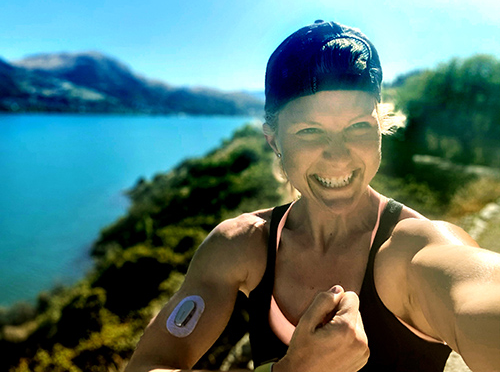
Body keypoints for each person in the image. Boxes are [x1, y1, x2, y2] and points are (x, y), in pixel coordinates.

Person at [125, 20, 500, 372]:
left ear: (380, 129)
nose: (338, 156)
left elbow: (479, 294)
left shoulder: (414, 249)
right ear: (274, 140)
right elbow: (152, 362)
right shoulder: (240, 246)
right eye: (309, 131)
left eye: (358, 127)